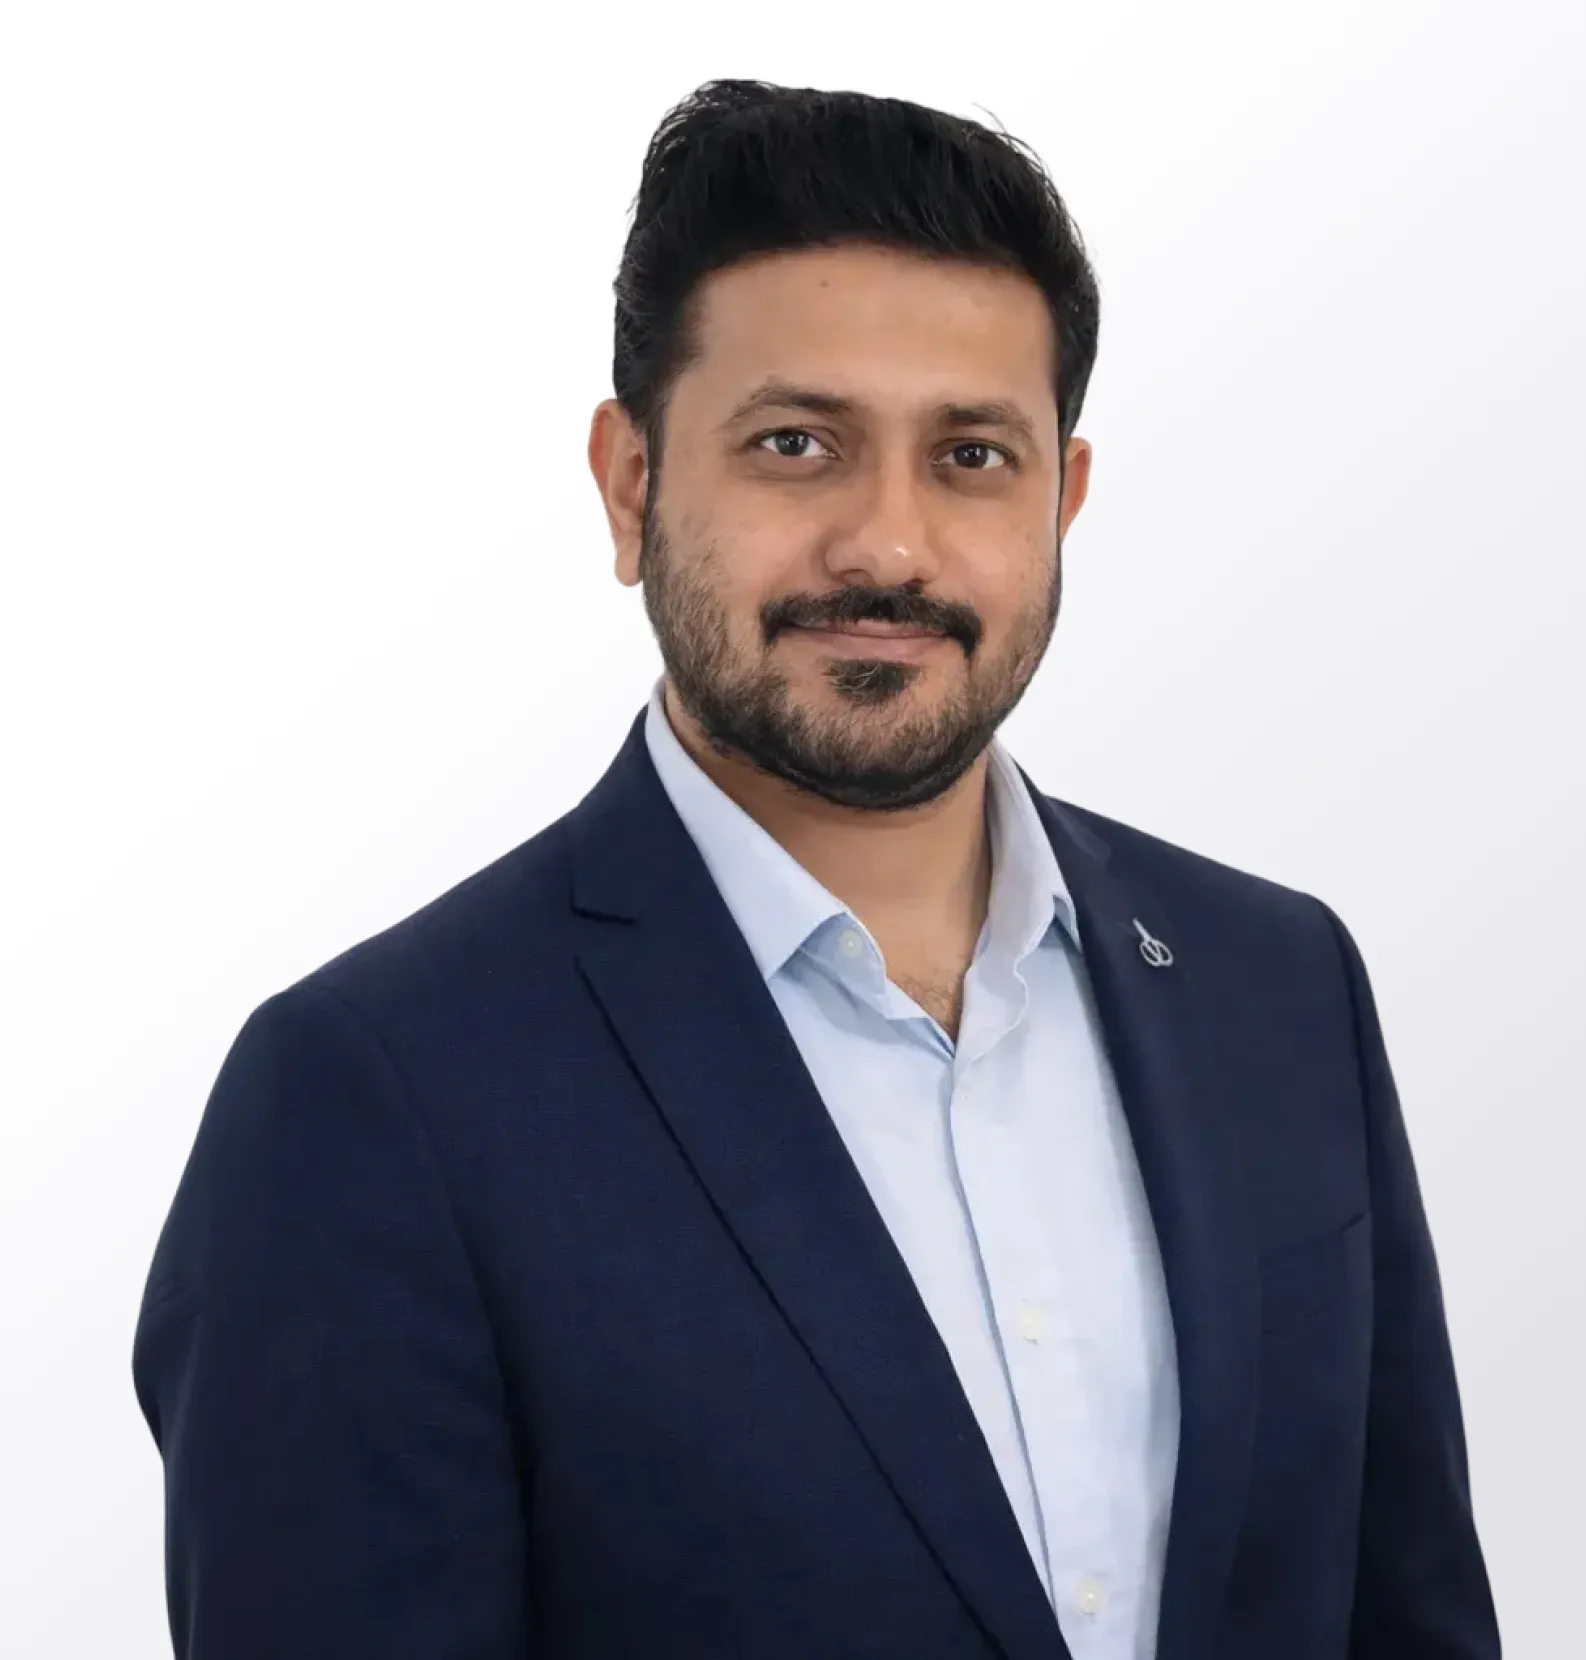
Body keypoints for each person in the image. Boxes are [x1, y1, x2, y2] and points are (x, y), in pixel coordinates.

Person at [132, 78, 1501, 1660]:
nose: (890, 546)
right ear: (633, 484)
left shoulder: (1280, 986)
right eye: (797, 444)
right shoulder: (371, 1098)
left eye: (972, 455)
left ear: (1062, 499)